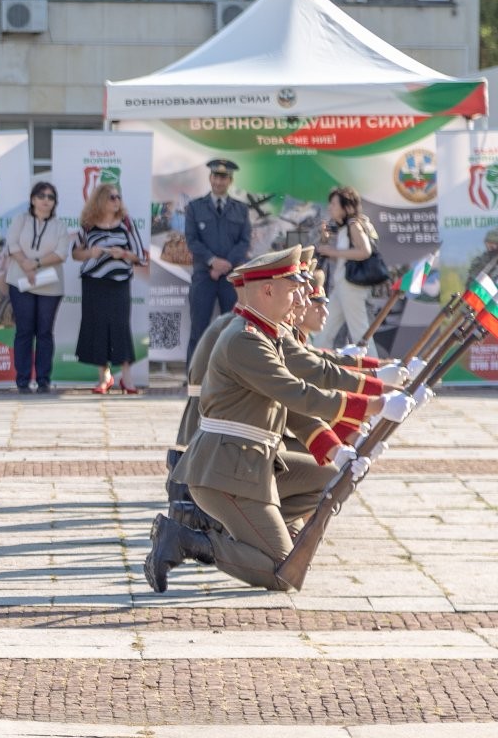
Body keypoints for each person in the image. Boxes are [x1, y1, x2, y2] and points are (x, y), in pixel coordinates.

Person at [147, 246, 408, 594]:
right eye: (294, 287)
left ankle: (250, 532)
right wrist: (375, 404)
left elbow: (307, 395)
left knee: (332, 479)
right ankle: (187, 540)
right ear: (267, 290)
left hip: (250, 466)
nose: (302, 295)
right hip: (226, 472)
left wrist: (339, 450)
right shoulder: (245, 340)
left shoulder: (268, 335)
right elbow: (300, 394)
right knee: (283, 572)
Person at [72, 181, 147, 395]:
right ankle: (104, 377)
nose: (117, 201)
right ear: (100, 201)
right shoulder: (88, 224)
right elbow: (75, 253)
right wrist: (90, 253)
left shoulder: (126, 223)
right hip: (93, 283)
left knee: (120, 327)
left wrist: (122, 254)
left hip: (119, 283)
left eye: (118, 197)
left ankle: (127, 378)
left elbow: (140, 257)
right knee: (97, 327)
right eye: (112, 197)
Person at [5, 180, 71, 392]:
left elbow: (61, 253)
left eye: (50, 197)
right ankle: (22, 380)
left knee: (44, 332)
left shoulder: (59, 226)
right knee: (24, 331)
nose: (46, 200)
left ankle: (43, 380)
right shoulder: (21, 219)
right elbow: (12, 244)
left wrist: (37, 263)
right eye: (41, 196)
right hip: (20, 281)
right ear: (33, 199)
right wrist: (26, 264)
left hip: (49, 285)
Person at [185, 157, 252, 357]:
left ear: (230, 181)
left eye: (223, 177)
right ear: (209, 177)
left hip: (231, 278)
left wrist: (226, 264)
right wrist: (213, 262)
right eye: (215, 176)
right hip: (204, 276)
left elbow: (244, 241)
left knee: (233, 330)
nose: (218, 181)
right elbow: (192, 240)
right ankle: (194, 379)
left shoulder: (241, 209)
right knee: (199, 329)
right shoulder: (195, 207)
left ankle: (231, 379)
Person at [316, 186, 380, 354]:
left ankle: (375, 369)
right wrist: (326, 239)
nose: (330, 208)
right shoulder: (345, 226)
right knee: (325, 330)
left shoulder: (354, 224)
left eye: (334, 204)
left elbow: (365, 251)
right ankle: (314, 361)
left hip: (351, 287)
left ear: (348, 207)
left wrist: (333, 252)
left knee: (360, 333)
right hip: (343, 285)